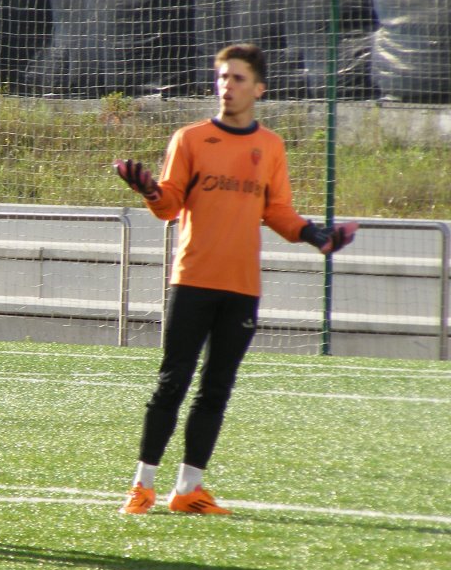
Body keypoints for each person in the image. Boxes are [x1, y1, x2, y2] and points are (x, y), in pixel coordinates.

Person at [114, 43, 358, 515]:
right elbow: (169, 205)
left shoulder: (271, 147)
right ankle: (142, 486)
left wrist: (316, 235)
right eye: (222, 77)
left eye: (238, 78)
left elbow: (278, 211)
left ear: (259, 89)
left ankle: (188, 490)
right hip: (192, 280)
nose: (227, 86)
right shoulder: (189, 138)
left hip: (242, 288)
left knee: (217, 388)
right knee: (172, 382)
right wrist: (149, 190)